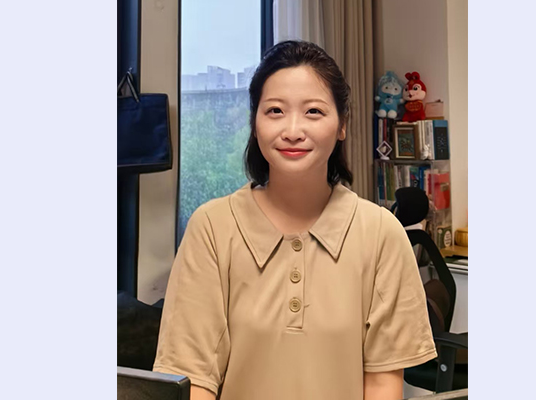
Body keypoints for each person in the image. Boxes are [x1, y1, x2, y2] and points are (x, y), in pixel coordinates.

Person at [153, 40, 436, 400]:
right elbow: (193, 381)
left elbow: (382, 385)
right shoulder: (211, 228)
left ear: (342, 124)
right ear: (254, 123)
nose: (292, 130)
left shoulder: (381, 234)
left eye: (313, 112)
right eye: (275, 111)